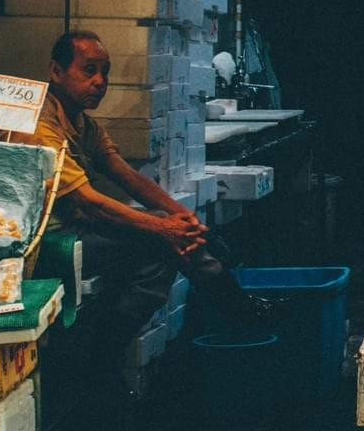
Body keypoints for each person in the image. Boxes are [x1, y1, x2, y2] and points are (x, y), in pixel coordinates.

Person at [14, 30, 272, 401]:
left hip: (77, 228)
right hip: (47, 242)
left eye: (105, 72)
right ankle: (232, 307)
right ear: (56, 71)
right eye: (89, 70)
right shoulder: (39, 123)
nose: (99, 82)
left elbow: (128, 177)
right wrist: (163, 227)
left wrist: (183, 218)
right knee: (161, 246)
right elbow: (89, 201)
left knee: (167, 251)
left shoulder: (82, 123)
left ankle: (227, 305)